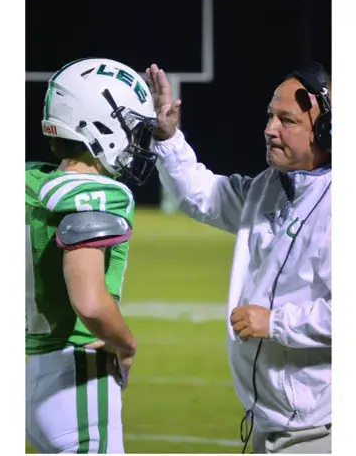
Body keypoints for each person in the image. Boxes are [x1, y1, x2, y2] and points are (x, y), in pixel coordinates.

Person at [146, 62, 332, 454]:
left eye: (287, 120)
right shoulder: (269, 188)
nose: (270, 129)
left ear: (327, 131)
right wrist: (167, 136)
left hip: (319, 430)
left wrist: (275, 322)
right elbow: (202, 195)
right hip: (273, 421)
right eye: (270, 115)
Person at [25, 58, 158, 453]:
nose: (135, 140)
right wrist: (126, 344)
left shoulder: (29, 181)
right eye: (130, 126)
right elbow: (89, 302)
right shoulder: (95, 194)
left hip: (33, 371)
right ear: (101, 126)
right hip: (76, 373)